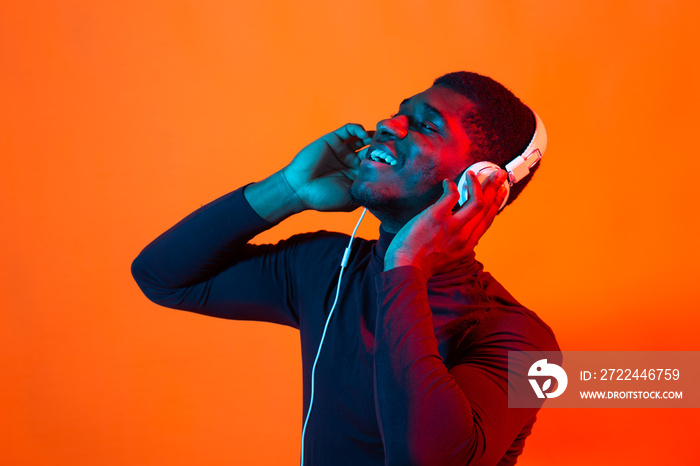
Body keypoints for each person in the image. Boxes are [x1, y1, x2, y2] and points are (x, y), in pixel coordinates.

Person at [132, 71, 560, 465]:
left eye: (426, 125)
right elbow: (163, 277)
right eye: (398, 113)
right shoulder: (326, 268)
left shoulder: (525, 342)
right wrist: (289, 189)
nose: (388, 126)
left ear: (482, 183)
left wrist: (405, 265)